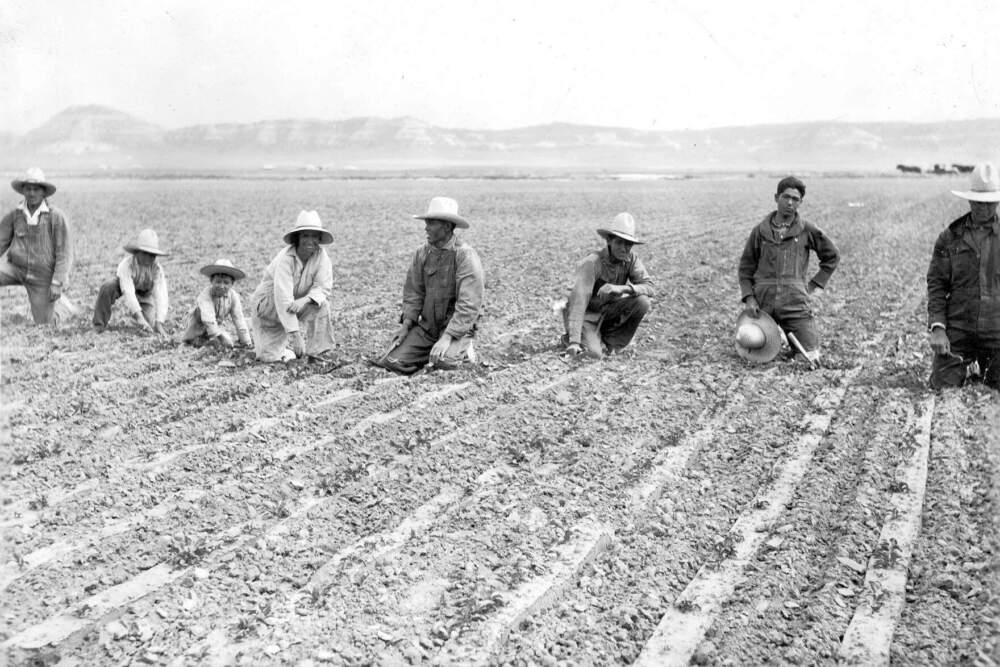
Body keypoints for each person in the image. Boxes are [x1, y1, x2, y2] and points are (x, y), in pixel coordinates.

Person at [738, 176, 840, 365]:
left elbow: (832, 256)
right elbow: (745, 268)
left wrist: (811, 286)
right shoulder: (760, 231)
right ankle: (776, 337)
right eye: (786, 197)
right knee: (752, 347)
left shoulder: (806, 229)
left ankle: (787, 338)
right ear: (776, 197)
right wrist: (749, 299)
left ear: (800, 202)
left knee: (810, 357)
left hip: (794, 303)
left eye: (796, 199)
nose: (790, 203)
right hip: (763, 303)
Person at [376, 197, 484, 374]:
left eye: (431, 223)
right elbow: (413, 293)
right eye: (427, 222)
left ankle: (463, 351)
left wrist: (448, 337)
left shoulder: (465, 256)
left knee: (444, 363)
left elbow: (469, 304)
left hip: (456, 329)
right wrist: (406, 326)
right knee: (392, 361)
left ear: (447, 226)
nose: (426, 227)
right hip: (427, 328)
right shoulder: (422, 253)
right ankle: (432, 351)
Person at [927, 162, 1000, 389]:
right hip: (959, 332)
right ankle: (964, 365)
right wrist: (938, 329)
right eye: (978, 203)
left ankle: (983, 366)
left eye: (989, 204)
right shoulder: (950, 238)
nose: (984, 209)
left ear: (997, 202)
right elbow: (937, 284)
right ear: (969, 200)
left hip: (997, 332)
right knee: (942, 386)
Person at [561, 212, 654, 358]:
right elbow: (578, 303)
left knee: (642, 302)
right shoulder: (592, 263)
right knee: (594, 354)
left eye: (628, 244)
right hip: (587, 314)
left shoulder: (631, 260)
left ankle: (610, 343)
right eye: (619, 242)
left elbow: (649, 287)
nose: (624, 248)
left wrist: (623, 288)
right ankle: (572, 339)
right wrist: (574, 342)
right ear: (609, 240)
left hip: (607, 313)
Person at [250, 210, 336, 363]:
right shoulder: (286, 259)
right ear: (298, 238)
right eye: (305, 235)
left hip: (296, 303)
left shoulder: (321, 257)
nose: (310, 241)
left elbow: (322, 287)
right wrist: (295, 335)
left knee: (322, 306)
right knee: (268, 358)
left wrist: (304, 300)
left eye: (314, 236)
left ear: (319, 239)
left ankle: (317, 353)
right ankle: (286, 350)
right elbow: (283, 299)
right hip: (269, 306)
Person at [0, 167, 79, 324]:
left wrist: (57, 282)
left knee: (44, 324)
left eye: (36, 189)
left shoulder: (55, 217)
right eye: (28, 189)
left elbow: (64, 253)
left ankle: (64, 309)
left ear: (43, 192)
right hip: (16, 268)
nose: (31, 193)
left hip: (42, 276)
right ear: (23, 190)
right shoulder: (15, 214)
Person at [93, 229, 169, 335]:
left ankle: (138, 319)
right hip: (123, 286)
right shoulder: (127, 265)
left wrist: (159, 322)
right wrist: (139, 317)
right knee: (108, 287)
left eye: (152, 255)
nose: (149, 258)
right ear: (137, 252)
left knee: (149, 326)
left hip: (145, 293)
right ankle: (99, 325)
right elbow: (128, 291)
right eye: (145, 253)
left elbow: (161, 295)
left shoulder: (157, 269)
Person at [182, 258, 253, 348]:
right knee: (200, 344)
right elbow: (208, 319)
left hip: (215, 329)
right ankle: (195, 342)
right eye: (218, 282)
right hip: (197, 330)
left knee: (227, 343)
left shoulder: (233, 296)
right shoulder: (205, 295)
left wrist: (246, 342)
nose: (222, 286)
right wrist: (220, 337)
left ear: (232, 284)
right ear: (211, 281)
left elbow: (238, 318)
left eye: (226, 283)